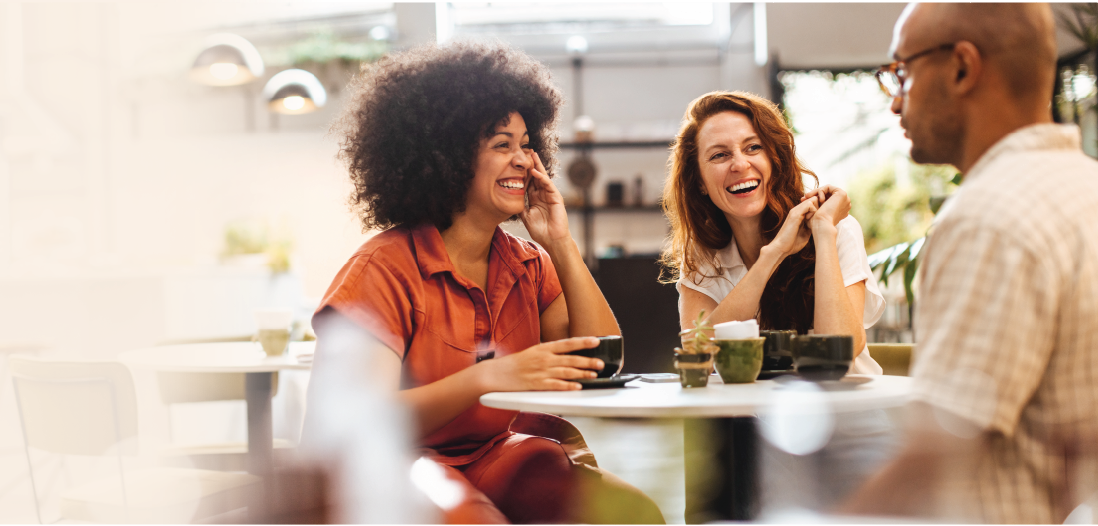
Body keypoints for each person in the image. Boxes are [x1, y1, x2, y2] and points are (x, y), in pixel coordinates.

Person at [306, 40, 664, 524]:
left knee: (633, 514)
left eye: (525, 144)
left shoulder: (529, 263)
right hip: (398, 464)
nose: (524, 161)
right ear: (448, 157)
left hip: (494, 453)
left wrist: (561, 242)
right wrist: (485, 378)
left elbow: (600, 362)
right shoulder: (382, 268)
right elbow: (362, 422)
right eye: (502, 145)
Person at [843, 3, 1098, 523]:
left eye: (901, 73)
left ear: (962, 67)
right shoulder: (1085, 188)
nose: (895, 104)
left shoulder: (991, 218)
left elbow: (933, 464)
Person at [661, 91, 885, 374]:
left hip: (846, 412)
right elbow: (698, 355)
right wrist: (774, 253)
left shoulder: (835, 226)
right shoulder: (703, 252)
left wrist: (824, 233)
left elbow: (842, 348)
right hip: (755, 414)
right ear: (701, 182)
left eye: (753, 147)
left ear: (774, 158)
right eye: (720, 155)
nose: (740, 164)